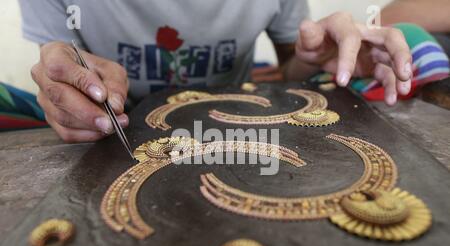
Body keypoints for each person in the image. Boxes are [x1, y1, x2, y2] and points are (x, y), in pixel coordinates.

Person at [19, 0, 413, 143]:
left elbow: (290, 66)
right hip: (119, 134)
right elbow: (63, 73)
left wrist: (315, 58)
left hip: (239, 132)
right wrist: (65, 91)